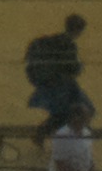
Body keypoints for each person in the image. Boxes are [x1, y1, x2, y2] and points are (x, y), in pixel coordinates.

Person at [24, 15, 88, 143]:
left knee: (61, 112)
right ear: (78, 30)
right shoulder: (69, 45)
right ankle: (49, 136)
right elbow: (73, 69)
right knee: (76, 110)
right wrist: (80, 66)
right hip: (60, 85)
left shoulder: (52, 40)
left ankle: (43, 134)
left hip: (47, 82)